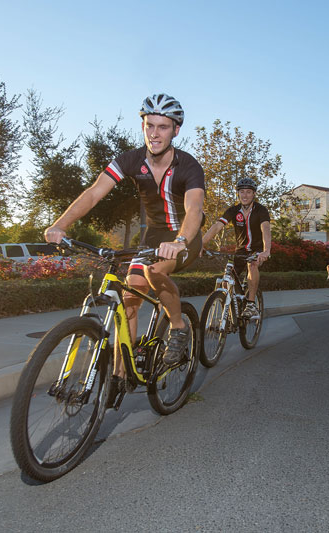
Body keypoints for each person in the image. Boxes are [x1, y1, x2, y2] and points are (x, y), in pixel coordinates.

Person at [44, 93, 205, 401]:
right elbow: (93, 193)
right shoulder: (130, 160)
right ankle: (121, 372)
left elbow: (194, 209)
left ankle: (179, 326)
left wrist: (180, 242)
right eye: (149, 125)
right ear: (143, 126)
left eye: (163, 127)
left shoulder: (189, 166)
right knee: (129, 297)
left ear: (176, 131)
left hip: (184, 235)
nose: (155, 133)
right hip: (154, 233)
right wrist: (60, 224)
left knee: (156, 270)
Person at [201, 177, 271, 318]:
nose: (245, 195)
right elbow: (217, 226)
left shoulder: (261, 210)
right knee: (227, 280)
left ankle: (251, 304)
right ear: (238, 194)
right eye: (242, 192)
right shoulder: (233, 211)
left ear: (254, 194)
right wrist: (201, 243)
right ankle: (233, 308)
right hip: (240, 251)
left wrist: (266, 250)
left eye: (248, 192)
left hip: (257, 250)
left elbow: (266, 229)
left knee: (252, 265)